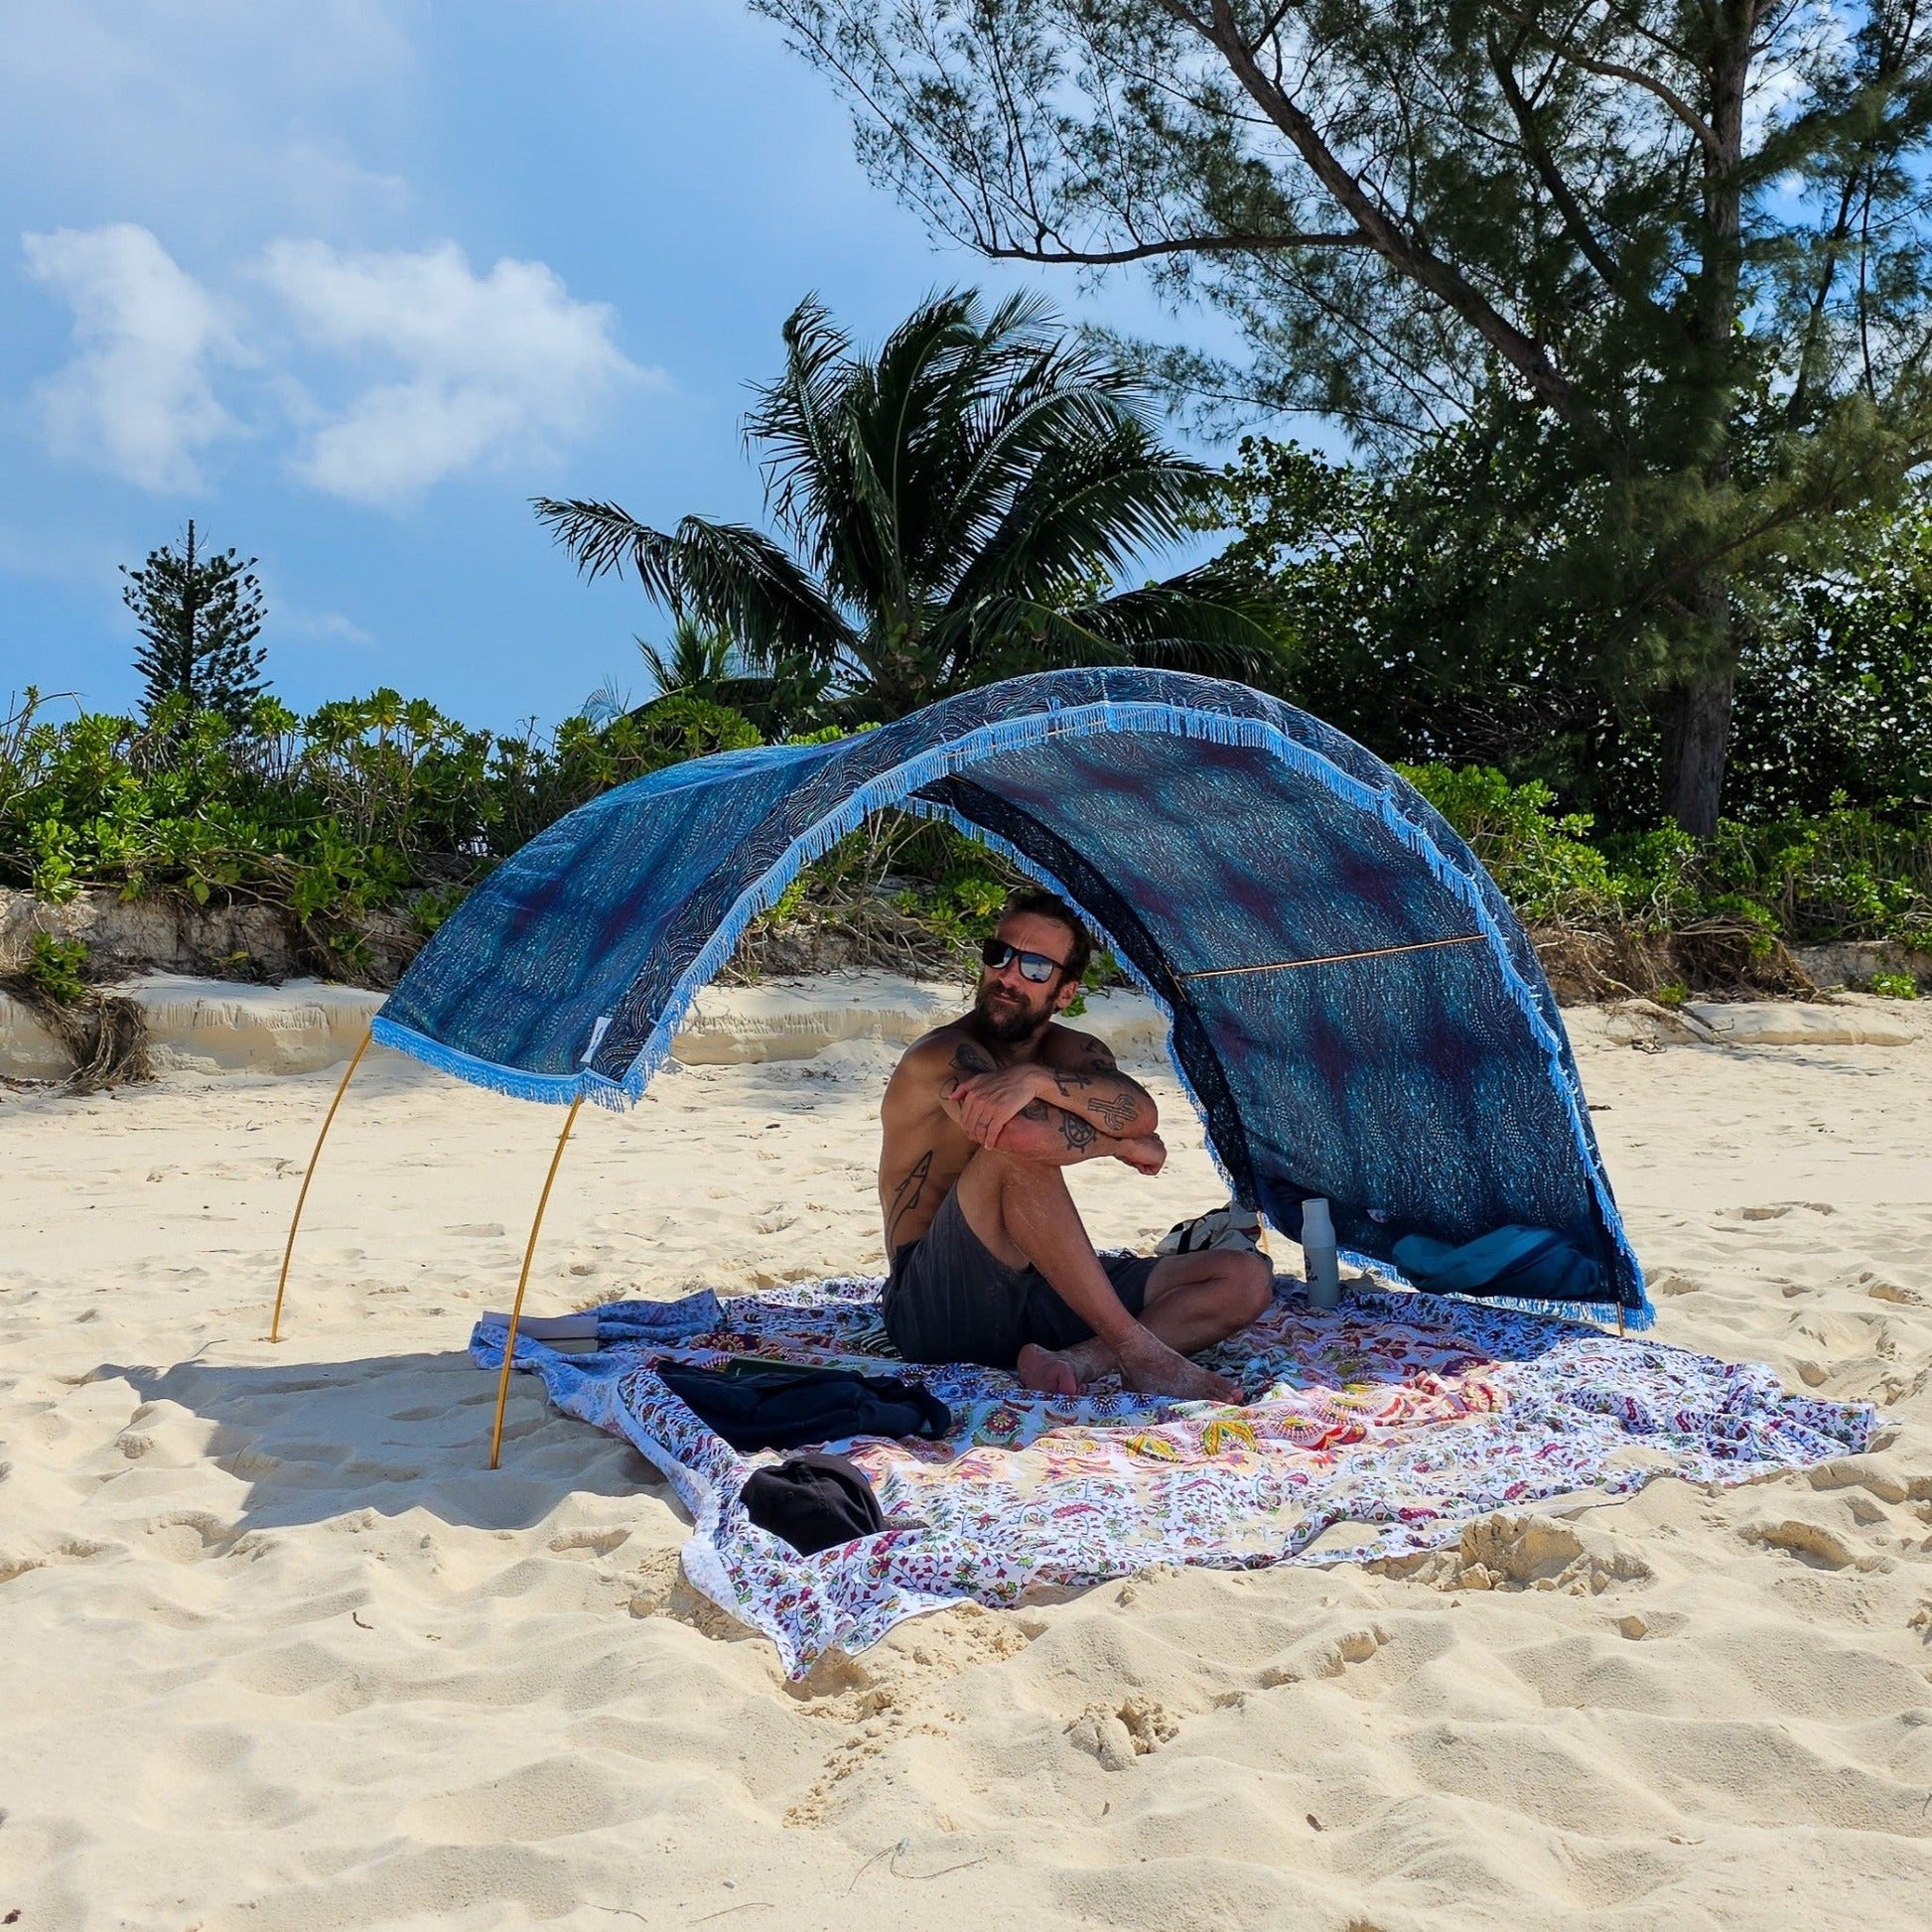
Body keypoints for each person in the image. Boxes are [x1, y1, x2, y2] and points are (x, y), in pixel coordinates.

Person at [877, 887, 1272, 1401]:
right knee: (1012, 1153)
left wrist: (1038, 1081)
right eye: (1001, 955)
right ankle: (1138, 1351)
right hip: (935, 1307)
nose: (1010, 976)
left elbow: (1141, 1112)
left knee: (1244, 1277)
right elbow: (1019, 1134)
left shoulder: (1070, 1050)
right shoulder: (943, 1055)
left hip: (1033, 1287)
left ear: (1065, 992)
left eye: (1037, 967)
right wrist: (1117, 1146)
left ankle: (1081, 1360)